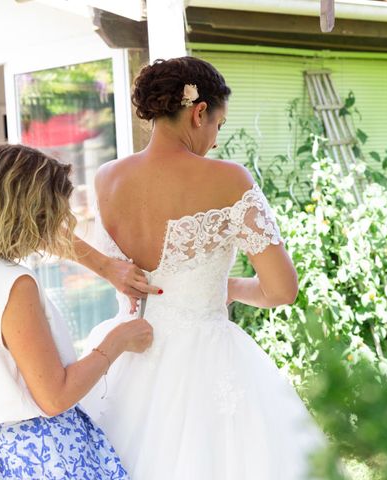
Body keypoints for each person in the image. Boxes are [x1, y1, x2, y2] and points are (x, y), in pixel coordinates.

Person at [80, 56, 322, 479]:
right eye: (218, 125)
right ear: (199, 112)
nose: (213, 140)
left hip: (124, 357)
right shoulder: (229, 180)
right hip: (205, 363)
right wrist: (226, 287)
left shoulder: (106, 178)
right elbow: (281, 290)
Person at [0, 143, 154, 479]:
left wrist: (106, 267)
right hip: (44, 455)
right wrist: (117, 340)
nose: (62, 223)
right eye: (54, 214)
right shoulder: (14, 285)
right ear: (31, 215)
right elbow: (54, 396)